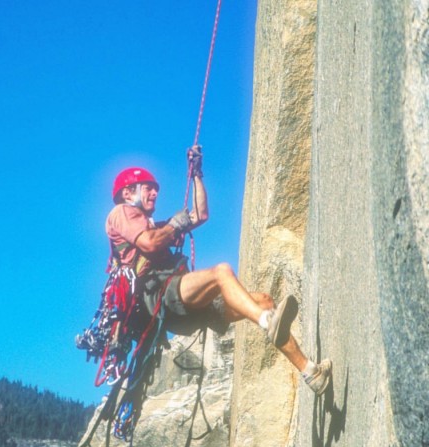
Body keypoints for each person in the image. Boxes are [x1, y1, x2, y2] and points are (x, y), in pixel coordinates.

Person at [106, 146, 332, 395]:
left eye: (155, 189)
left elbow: (201, 215)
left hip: (175, 301)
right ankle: (267, 322)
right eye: (147, 187)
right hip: (159, 294)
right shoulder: (121, 213)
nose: (154, 193)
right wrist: (173, 225)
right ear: (128, 192)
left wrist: (197, 175)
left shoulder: (154, 226)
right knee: (221, 273)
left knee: (264, 301)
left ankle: (310, 372)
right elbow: (149, 243)